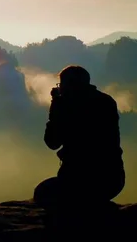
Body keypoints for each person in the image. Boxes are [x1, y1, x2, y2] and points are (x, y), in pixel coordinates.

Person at [33, 65, 125, 209]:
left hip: (78, 180)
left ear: (68, 85)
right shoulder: (106, 101)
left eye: (61, 84)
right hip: (113, 180)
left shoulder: (68, 106)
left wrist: (56, 104)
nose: (60, 88)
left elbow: (52, 142)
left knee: (42, 192)